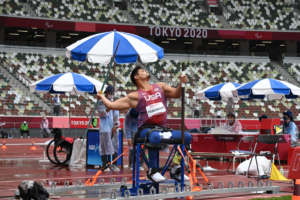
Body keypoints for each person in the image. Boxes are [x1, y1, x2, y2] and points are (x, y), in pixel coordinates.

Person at [97, 65, 191, 182]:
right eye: (142, 71)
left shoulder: (160, 86)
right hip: (145, 130)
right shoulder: (135, 96)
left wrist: (182, 84)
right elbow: (111, 105)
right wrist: (101, 96)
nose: (146, 71)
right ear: (136, 77)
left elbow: (177, 94)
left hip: (162, 128)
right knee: (155, 136)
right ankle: (152, 170)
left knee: (187, 137)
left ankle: (176, 168)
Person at [97, 85, 120, 171]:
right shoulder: (100, 102)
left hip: (113, 128)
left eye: (112, 93)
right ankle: (105, 164)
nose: (111, 94)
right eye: (110, 93)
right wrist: (109, 107)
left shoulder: (114, 102)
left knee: (114, 145)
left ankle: (114, 164)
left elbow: (116, 117)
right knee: (104, 146)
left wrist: (116, 126)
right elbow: (102, 114)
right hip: (105, 128)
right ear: (106, 93)